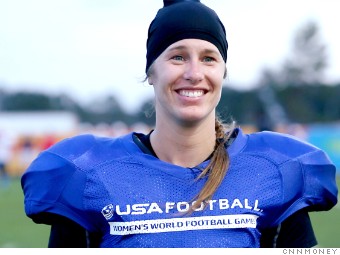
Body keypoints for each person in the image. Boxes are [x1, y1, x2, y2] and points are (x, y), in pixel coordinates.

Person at [21, 0, 338, 248]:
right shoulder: (89, 173)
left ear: (222, 73)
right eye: (177, 57)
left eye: (209, 58)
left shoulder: (272, 169)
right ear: (151, 73)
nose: (194, 73)